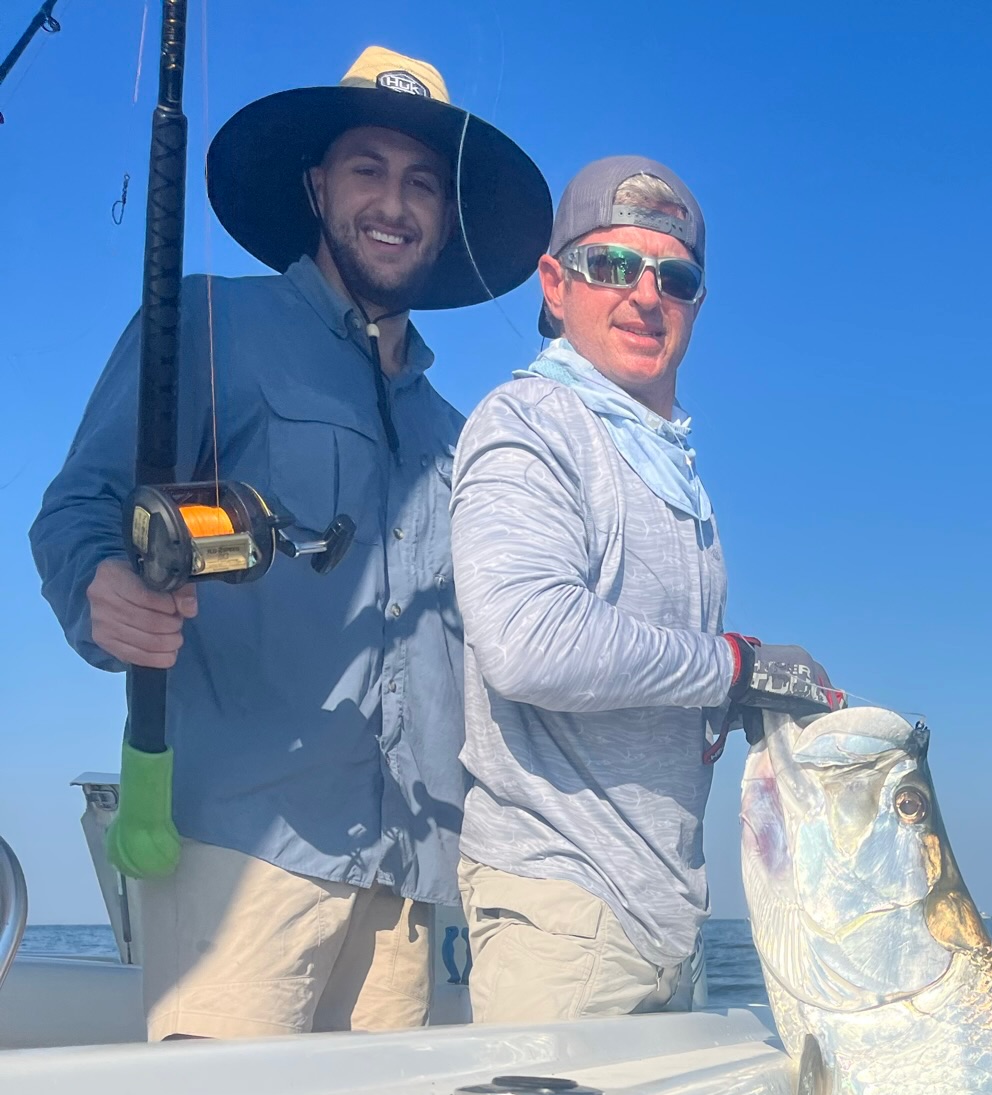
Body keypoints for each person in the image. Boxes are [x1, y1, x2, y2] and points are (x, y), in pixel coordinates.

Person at [31, 49, 551, 1040]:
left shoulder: (458, 430)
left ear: (444, 219)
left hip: (408, 885)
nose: (394, 202)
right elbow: (79, 507)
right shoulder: (207, 322)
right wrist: (99, 586)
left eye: (422, 183)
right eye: (368, 169)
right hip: (244, 854)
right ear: (318, 186)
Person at [450, 155, 835, 1024]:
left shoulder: (666, 462)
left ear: (697, 303)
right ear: (555, 284)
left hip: (667, 923)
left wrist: (750, 700)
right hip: (566, 914)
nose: (644, 293)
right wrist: (734, 667)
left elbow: (651, 669)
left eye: (676, 276)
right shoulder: (532, 424)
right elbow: (526, 638)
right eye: (611, 266)